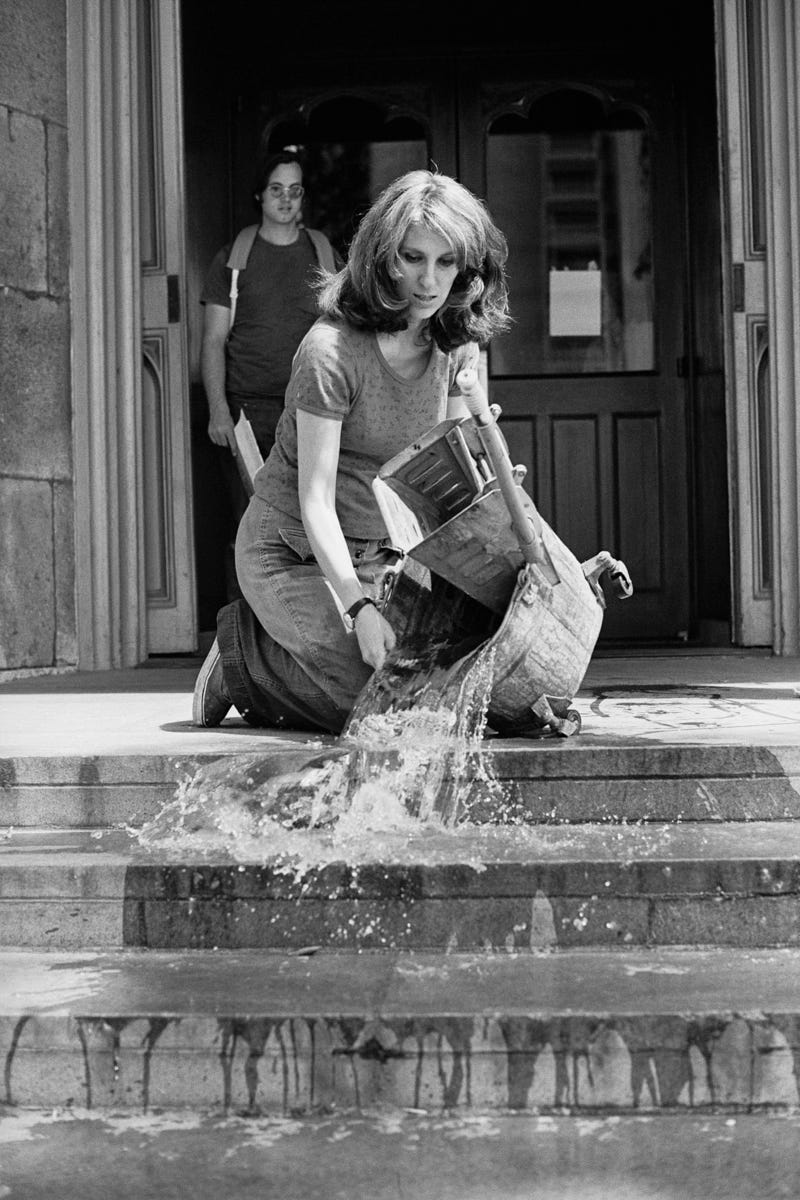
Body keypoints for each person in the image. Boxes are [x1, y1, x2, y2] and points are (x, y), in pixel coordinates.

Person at [192, 169, 511, 734]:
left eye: (446, 262)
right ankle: (243, 656)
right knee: (383, 709)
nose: (428, 280)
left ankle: (291, 654)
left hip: (383, 556)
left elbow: (448, 482)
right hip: (288, 551)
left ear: (467, 267)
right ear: (384, 257)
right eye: (413, 257)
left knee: (451, 694)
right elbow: (314, 499)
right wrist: (358, 611)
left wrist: (484, 454)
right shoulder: (331, 351)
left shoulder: (456, 342)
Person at [200, 148, 341, 468]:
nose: (286, 198)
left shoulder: (323, 253)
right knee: (253, 514)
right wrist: (218, 410)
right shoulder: (232, 258)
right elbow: (213, 340)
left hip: (313, 407)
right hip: (247, 412)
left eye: (295, 190)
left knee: (310, 511)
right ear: (259, 195)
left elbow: (347, 333)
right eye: (276, 189)